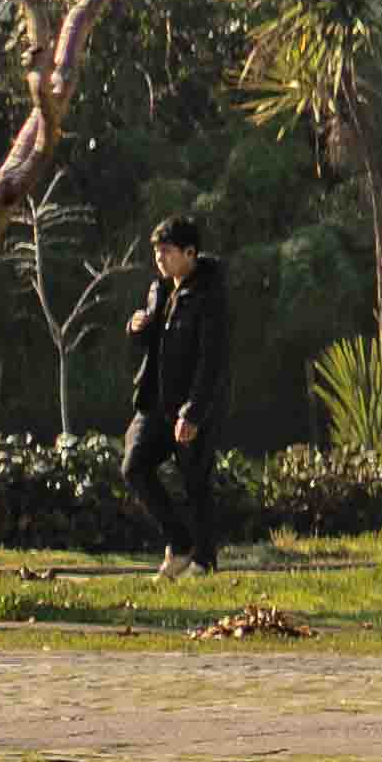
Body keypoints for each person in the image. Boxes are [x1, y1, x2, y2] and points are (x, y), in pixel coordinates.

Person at [116, 213, 228, 576]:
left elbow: (212, 360)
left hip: (193, 405)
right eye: (157, 252)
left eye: (167, 251)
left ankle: (204, 562)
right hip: (154, 402)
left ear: (190, 253)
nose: (159, 258)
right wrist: (136, 327)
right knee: (134, 466)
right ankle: (179, 544)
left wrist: (193, 412)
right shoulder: (159, 289)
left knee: (196, 482)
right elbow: (149, 338)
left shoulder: (210, 295)